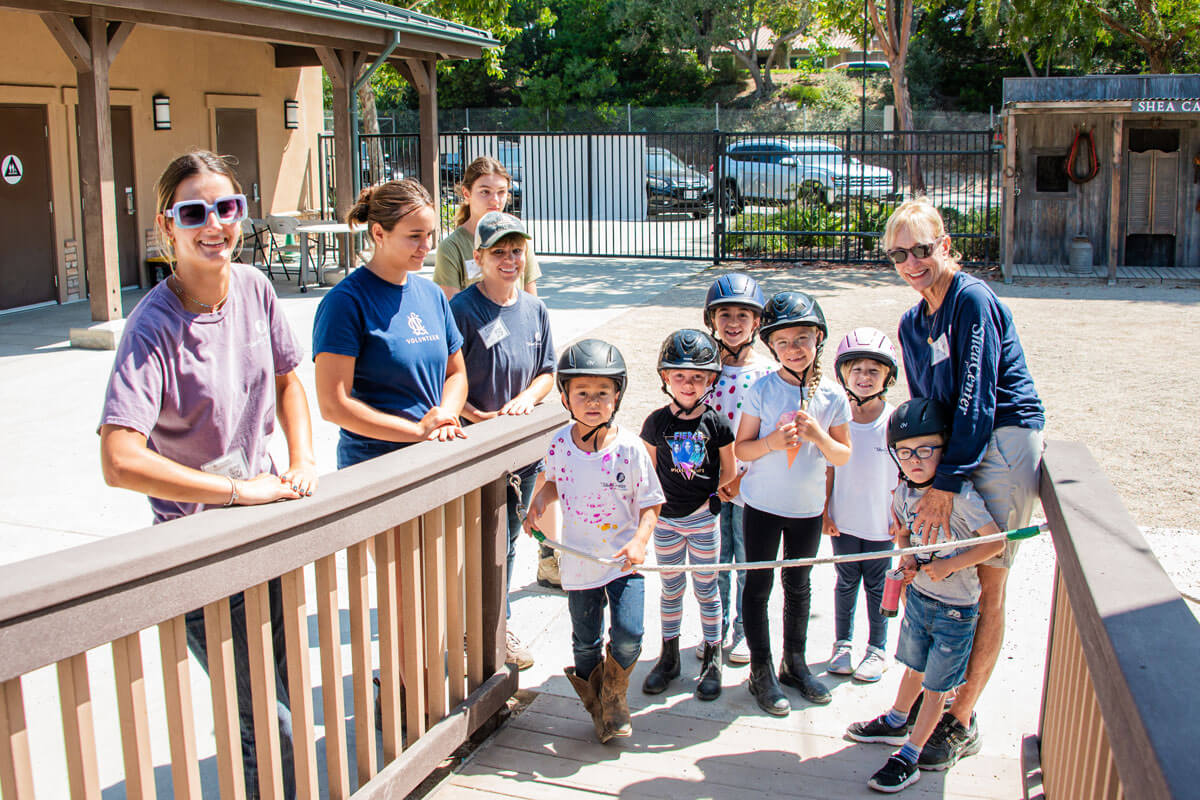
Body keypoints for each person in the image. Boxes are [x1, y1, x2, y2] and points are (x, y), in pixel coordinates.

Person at [99, 150, 317, 798]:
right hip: (199, 548)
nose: (214, 224)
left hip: (265, 528)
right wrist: (233, 491)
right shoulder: (152, 326)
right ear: (167, 226)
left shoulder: (254, 288)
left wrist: (303, 459)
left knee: (281, 696)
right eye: (194, 212)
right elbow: (119, 459)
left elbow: (289, 380)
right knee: (264, 717)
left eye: (227, 207)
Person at [886, 198, 1045, 767]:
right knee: (943, 573)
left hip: (1000, 439)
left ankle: (960, 718)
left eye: (921, 249)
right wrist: (914, 483)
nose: (911, 263)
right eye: (898, 254)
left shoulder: (971, 299)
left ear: (945, 246)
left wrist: (946, 485)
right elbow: (924, 408)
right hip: (952, 449)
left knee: (987, 578)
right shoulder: (912, 323)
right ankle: (927, 704)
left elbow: (978, 396)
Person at [845, 398, 1004, 793]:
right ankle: (897, 720)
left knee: (936, 686)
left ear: (944, 450)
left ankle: (910, 755)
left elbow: (995, 544)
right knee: (913, 668)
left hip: (955, 611)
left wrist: (951, 565)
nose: (914, 460)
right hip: (919, 600)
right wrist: (909, 561)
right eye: (904, 452)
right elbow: (904, 534)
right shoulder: (903, 493)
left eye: (925, 450)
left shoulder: (962, 498)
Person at [524, 340, 664, 743]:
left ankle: (615, 694)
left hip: (623, 562)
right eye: (582, 392)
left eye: (603, 392)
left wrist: (640, 542)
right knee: (585, 643)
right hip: (579, 563)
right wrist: (539, 502)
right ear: (565, 398)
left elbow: (652, 503)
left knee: (629, 635)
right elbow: (555, 481)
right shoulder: (559, 444)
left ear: (617, 396)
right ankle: (598, 707)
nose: (593, 401)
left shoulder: (630, 449)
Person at [733, 291, 851, 716]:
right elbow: (742, 449)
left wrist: (819, 436)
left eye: (802, 338)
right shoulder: (762, 389)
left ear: (819, 337)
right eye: (782, 342)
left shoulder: (833, 396)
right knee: (758, 587)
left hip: (806, 511)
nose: (794, 348)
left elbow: (843, 455)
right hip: (762, 507)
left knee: (799, 586)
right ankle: (760, 669)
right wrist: (770, 443)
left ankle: (794, 662)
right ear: (770, 346)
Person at [450, 211, 556, 670]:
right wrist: (474, 416)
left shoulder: (535, 309)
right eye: (499, 252)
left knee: (509, 538)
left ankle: (496, 625)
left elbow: (548, 372)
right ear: (479, 258)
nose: (510, 260)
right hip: (475, 448)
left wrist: (527, 399)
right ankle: (467, 628)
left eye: (517, 251)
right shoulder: (461, 311)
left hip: (522, 452)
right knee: (472, 542)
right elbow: (446, 377)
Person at [313, 179, 467, 472]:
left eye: (430, 234)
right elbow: (334, 405)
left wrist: (444, 418)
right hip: (375, 467)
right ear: (379, 233)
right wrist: (416, 431)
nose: (426, 246)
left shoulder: (432, 294)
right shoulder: (345, 302)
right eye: (414, 236)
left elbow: (456, 373)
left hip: (434, 458)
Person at [639, 329, 736, 701]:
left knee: (707, 589)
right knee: (670, 588)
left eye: (698, 376)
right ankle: (669, 656)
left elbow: (730, 470)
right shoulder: (655, 423)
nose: (688, 383)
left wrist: (710, 497)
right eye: (679, 375)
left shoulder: (717, 423)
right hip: (666, 521)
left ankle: (712, 657)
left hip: (702, 520)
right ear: (665, 376)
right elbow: (648, 473)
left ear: (710, 379)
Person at [702, 273, 773, 666]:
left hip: (751, 483)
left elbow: (769, 434)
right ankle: (714, 630)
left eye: (742, 315)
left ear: (757, 322)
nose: (733, 323)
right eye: (724, 314)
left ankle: (745, 631)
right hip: (711, 485)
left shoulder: (766, 374)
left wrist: (739, 477)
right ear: (711, 319)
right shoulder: (703, 370)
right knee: (714, 564)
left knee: (748, 563)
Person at [823, 328, 900, 683]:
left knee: (879, 585)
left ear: (888, 377)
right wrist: (825, 511)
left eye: (873, 371)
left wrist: (902, 517)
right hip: (844, 521)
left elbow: (905, 476)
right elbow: (828, 469)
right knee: (845, 582)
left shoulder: (894, 421)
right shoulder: (837, 419)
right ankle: (842, 644)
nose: (864, 377)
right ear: (843, 375)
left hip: (881, 523)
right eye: (856, 370)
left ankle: (877, 648)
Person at [434, 156, 541, 301]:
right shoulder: (452, 247)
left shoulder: (520, 239)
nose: (495, 200)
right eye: (485, 192)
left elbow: (532, 302)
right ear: (466, 193)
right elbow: (452, 308)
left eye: (501, 192)